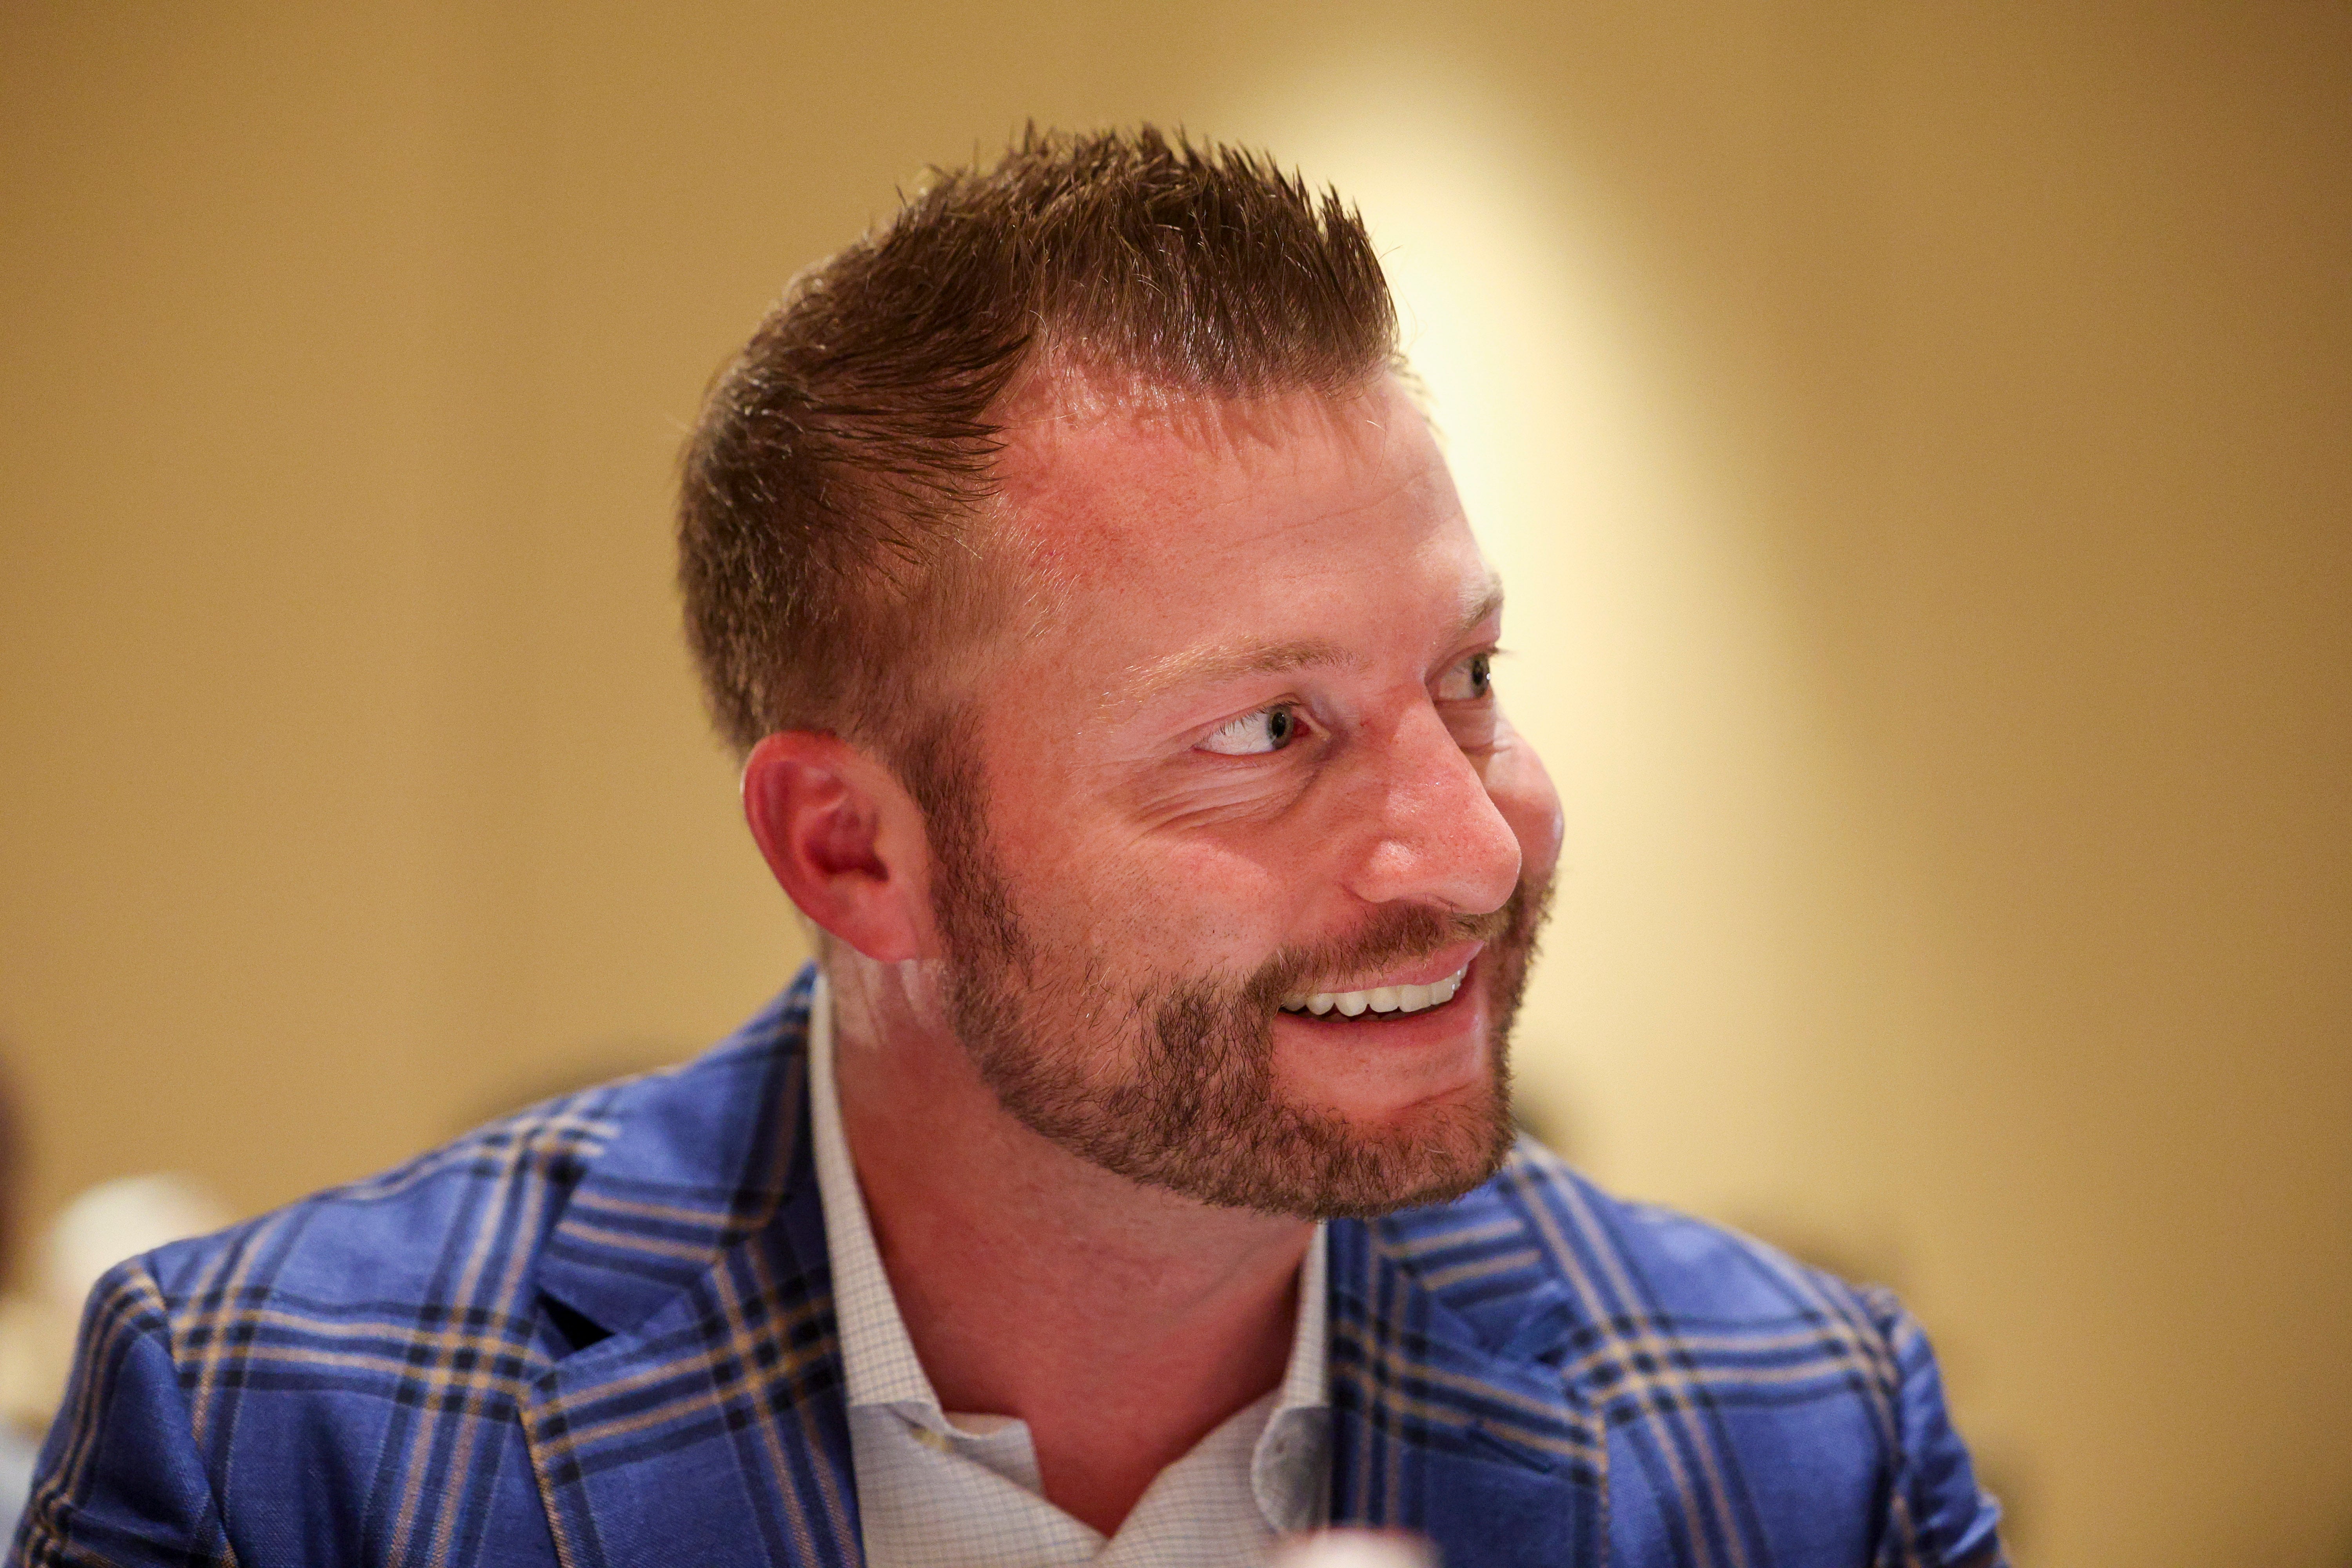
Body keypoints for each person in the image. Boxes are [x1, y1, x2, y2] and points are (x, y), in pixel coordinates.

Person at [13, 127, 2006, 1568]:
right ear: (852, 851)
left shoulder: (1805, 1443)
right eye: (1264, 730)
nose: (1469, 846)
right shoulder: (279, 1440)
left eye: (1468, 673)